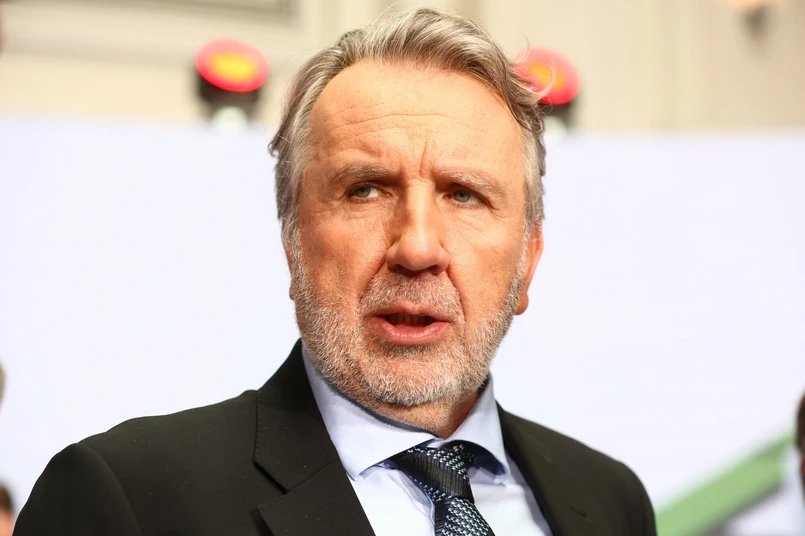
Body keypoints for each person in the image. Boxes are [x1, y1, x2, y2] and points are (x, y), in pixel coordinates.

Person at [15, 8, 656, 535]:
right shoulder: (128, 501)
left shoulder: (610, 502)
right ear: (293, 241)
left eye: (464, 194)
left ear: (528, 259)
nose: (417, 248)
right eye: (366, 189)